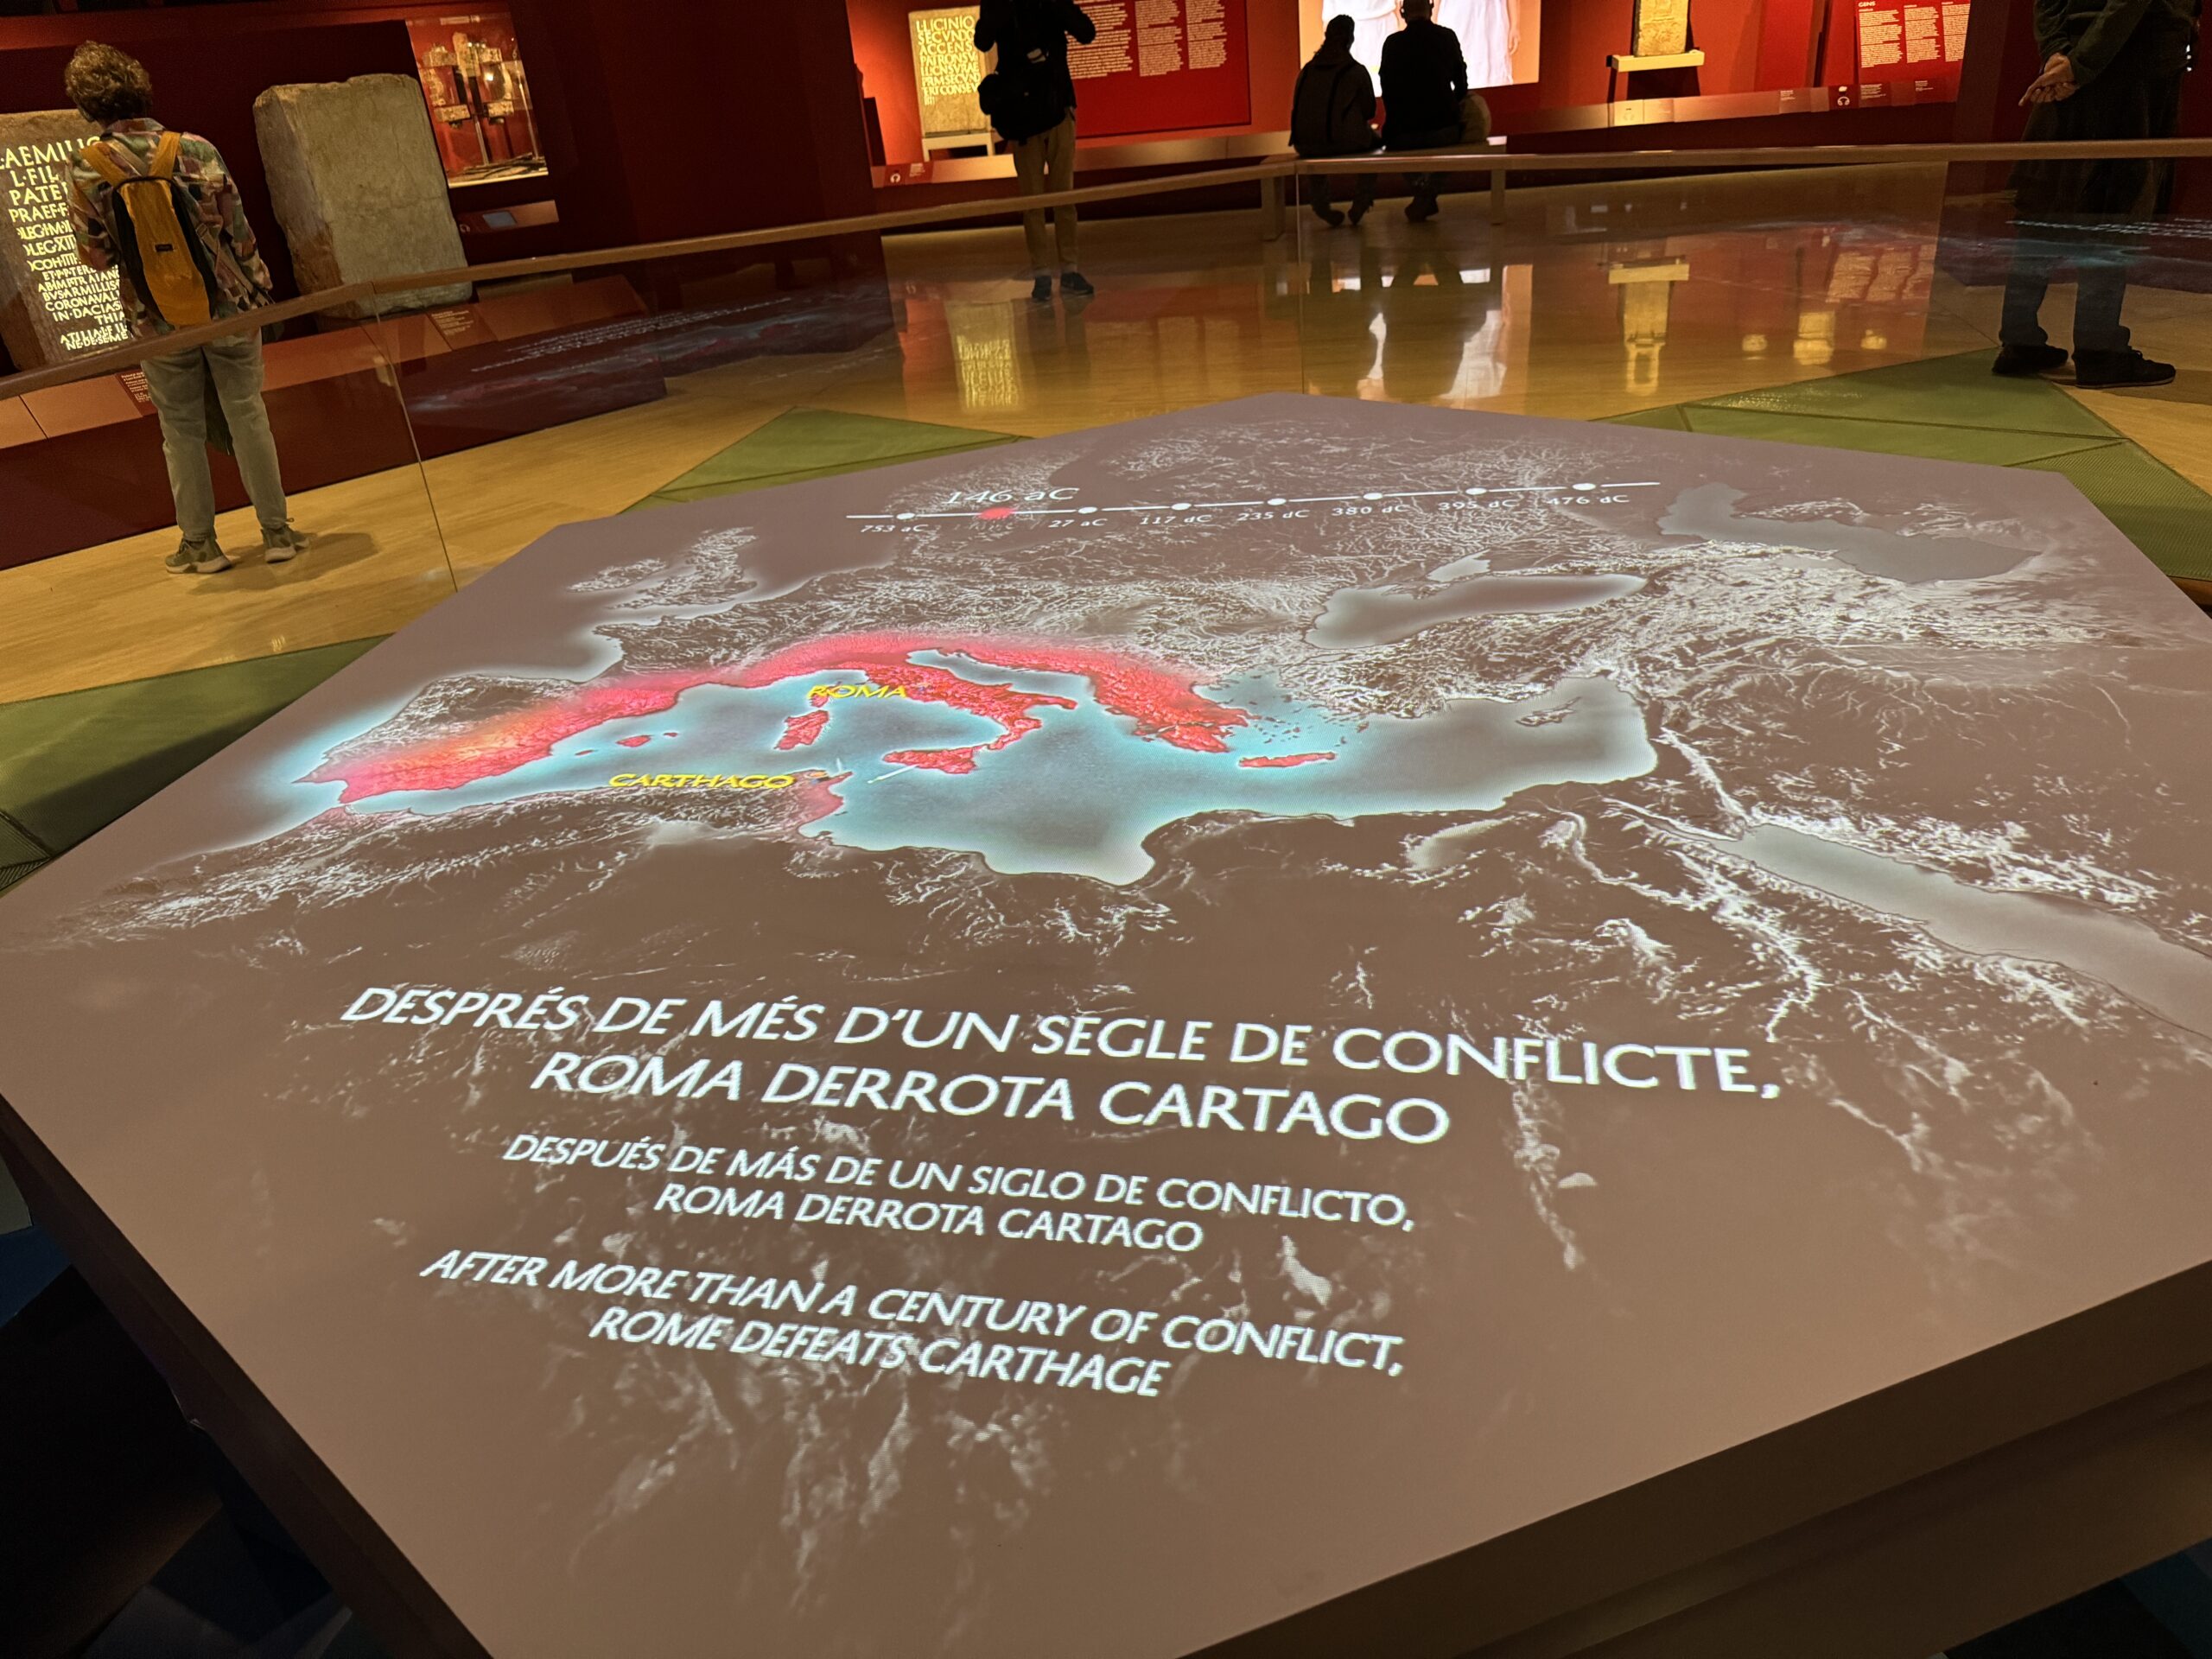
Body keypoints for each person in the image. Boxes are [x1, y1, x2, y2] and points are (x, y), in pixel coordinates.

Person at [64, 42, 304, 576]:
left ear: (86, 105)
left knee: (180, 429)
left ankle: (200, 545)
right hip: (227, 309)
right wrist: (258, 292)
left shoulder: (86, 167)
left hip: (157, 320)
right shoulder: (196, 148)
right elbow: (239, 232)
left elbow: (97, 256)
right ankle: (277, 532)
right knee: (248, 413)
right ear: (140, 88)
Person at [1994, 0, 2202, 387]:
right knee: (2112, 218)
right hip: (2129, 75)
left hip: (2074, 72)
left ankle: (2020, 339)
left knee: (2042, 213)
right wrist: (2079, 66)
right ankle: (2099, 350)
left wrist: (2057, 55)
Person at [976, 0, 1098, 303]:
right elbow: (983, 40)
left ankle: (1068, 269)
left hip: (1056, 106)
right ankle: (1042, 272)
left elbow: (1086, 32)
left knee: (1063, 196)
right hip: (1024, 116)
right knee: (1032, 201)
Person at [1381, 0, 1470, 223]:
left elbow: (1387, 90)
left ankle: (1423, 193)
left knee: (1396, 146)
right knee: (1454, 143)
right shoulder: (1446, 37)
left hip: (1402, 133)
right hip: (1443, 128)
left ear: (1403, 13)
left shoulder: (1392, 43)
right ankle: (1428, 194)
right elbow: (1461, 85)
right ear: (1430, 9)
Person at [1293, 15, 1382, 227]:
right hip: (1344, 141)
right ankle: (1361, 202)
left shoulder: (1307, 70)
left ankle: (1321, 206)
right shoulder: (1355, 70)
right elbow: (1369, 111)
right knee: (1376, 145)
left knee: (1316, 145)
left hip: (1304, 144)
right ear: (1350, 38)